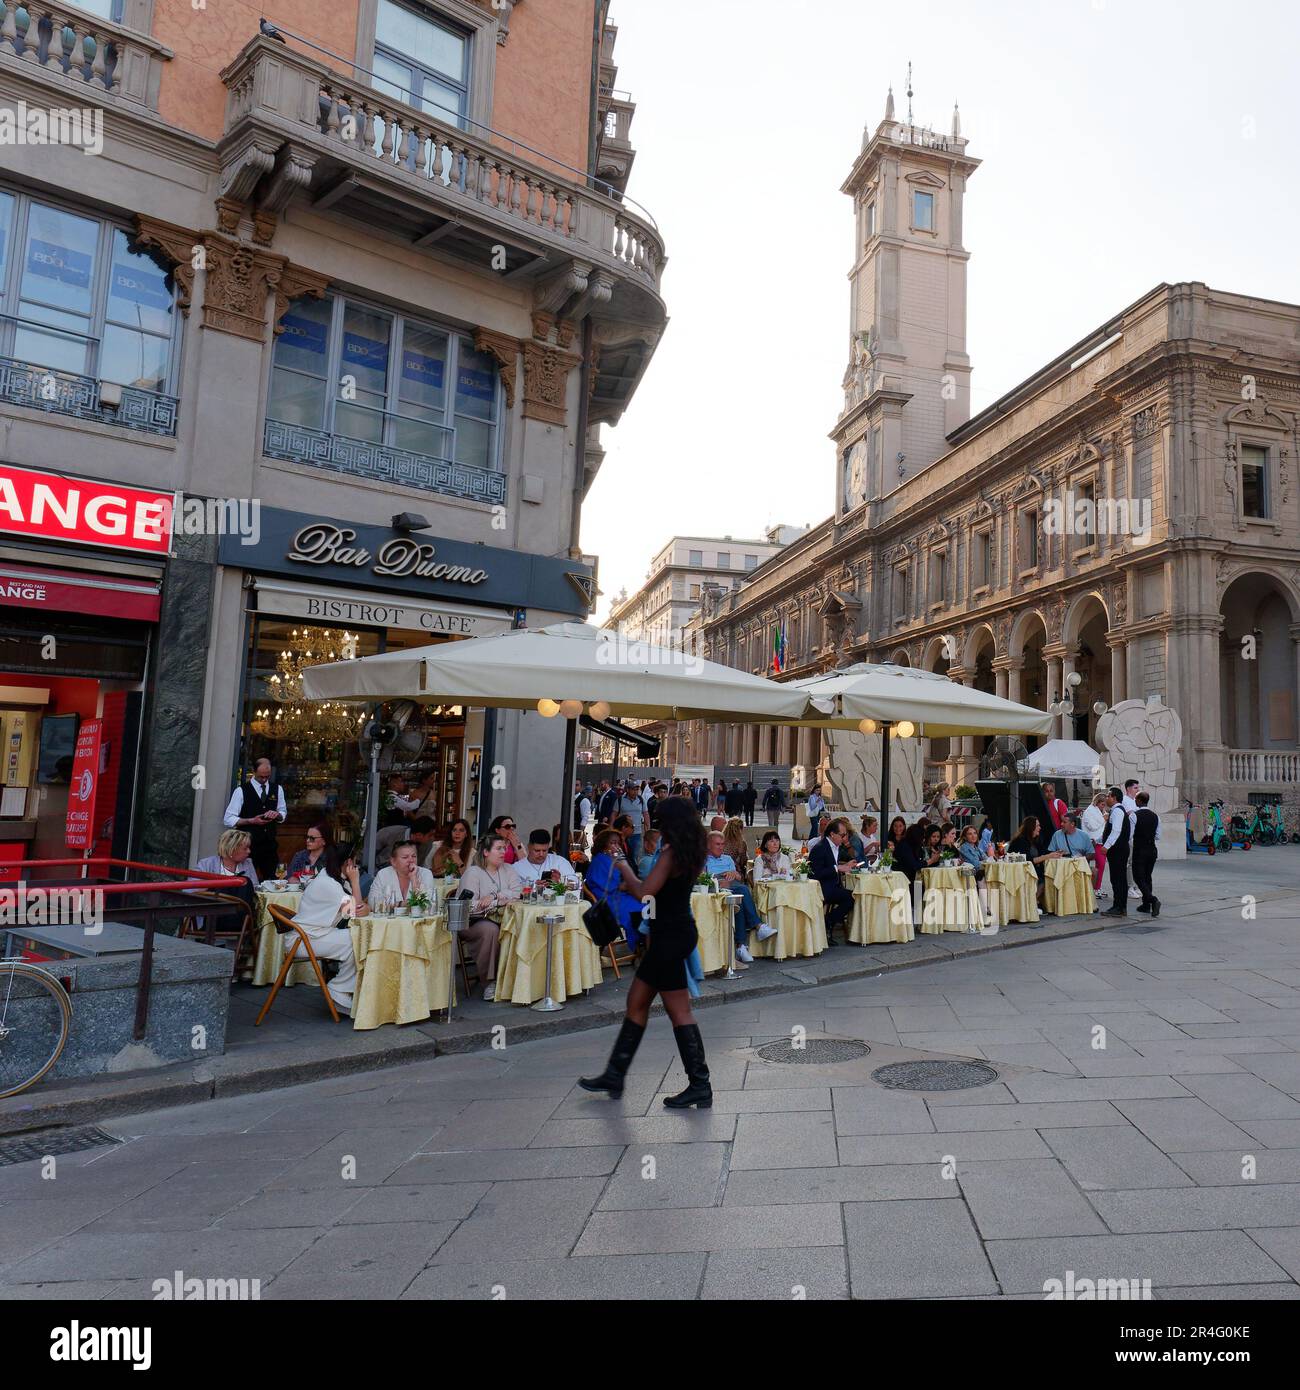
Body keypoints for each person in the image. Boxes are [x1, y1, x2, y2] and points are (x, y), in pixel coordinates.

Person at [580, 797, 714, 1109]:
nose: (656, 822)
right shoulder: (692, 851)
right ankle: (615, 1074)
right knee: (637, 1001)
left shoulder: (670, 853)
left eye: (660, 818)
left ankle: (700, 1084)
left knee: (677, 1010)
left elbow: (644, 891)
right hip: (677, 931)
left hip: (668, 935)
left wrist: (623, 864)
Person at [292, 840, 362, 1013]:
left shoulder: (330, 877)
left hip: (315, 934)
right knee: (358, 940)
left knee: (357, 938)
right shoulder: (329, 884)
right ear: (348, 863)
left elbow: (357, 909)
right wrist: (355, 881)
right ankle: (339, 988)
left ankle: (342, 988)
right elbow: (356, 910)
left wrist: (359, 905)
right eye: (355, 861)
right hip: (305, 939)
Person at [459, 833, 523, 1000]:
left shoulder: (509, 869)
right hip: (472, 922)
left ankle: (517, 977)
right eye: (498, 848)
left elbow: (518, 893)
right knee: (491, 930)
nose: (503, 852)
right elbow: (470, 906)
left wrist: (494, 897)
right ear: (486, 852)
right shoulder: (473, 873)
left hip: (502, 918)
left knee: (523, 924)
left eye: (504, 848)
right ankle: (489, 982)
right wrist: (501, 901)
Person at [705, 829, 775, 961]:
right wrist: (720, 879)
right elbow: (701, 878)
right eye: (717, 844)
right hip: (714, 891)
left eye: (722, 844)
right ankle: (757, 927)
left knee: (739, 899)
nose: (721, 847)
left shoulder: (727, 858)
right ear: (708, 845)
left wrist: (735, 874)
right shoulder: (703, 859)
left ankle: (741, 946)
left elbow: (739, 877)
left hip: (732, 888)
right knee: (742, 891)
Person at [584, 827, 650, 952]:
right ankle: (642, 944)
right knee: (646, 908)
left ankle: (644, 942)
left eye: (618, 843)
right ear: (604, 845)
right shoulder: (601, 860)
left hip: (619, 896)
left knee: (650, 905)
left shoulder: (610, 858)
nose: (617, 846)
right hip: (610, 901)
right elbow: (616, 886)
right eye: (612, 843)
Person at [223, 755, 286, 880]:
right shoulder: (241, 791)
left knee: (274, 879)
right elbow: (228, 819)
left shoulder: (277, 789)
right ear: (254, 771)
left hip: (269, 845)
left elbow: (283, 812)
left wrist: (277, 815)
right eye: (261, 776)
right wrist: (251, 820)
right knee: (245, 880)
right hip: (247, 846)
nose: (264, 779)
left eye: (267, 776)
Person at [808, 818, 858, 941]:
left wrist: (849, 865)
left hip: (833, 886)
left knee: (853, 896)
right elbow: (815, 873)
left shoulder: (836, 846)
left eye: (845, 834)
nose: (845, 837)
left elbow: (852, 856)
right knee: (850, 898)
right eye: (842, 835)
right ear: (832, 834)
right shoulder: (820, 847)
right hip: (822, 888)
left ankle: (829, 922)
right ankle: (828, 922)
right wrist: (837, 868)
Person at [1010, 814, 1061, 913]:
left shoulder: (1034, 840)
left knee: (1050, 876)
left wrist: (1055, 853)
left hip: (1032, 869)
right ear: (1031, 827)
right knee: (1043, 879)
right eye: (1037, 826)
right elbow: (1028, 860)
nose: (1040, 828)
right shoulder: (1021, 841)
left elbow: (1043, 851)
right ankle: (1031, 904)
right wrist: (1048, 856)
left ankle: (1039, 904)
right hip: (1021, 870)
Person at [368, 840, 437, 910]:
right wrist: (401, 904)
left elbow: (427, 904)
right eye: (405, 857)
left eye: (414, 856)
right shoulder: (383, 874)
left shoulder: (426, 874)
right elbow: (372, 903)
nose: (411, 860)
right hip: (389, 920)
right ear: (393, 861)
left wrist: (414, 879)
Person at [1101, 786, 1132, 918]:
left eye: (1108, 796)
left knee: (1118, 878)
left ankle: (1119, 907)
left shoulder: (1118, 811)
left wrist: (1106, 846)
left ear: (1114, 798)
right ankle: (1118, 905)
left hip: (1118, 850)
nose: (1107, 798)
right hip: (1118, 849)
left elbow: (1116, 831)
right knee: (1117, 878)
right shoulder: (1116, 811)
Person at [514, 828, 580, 887]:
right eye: (537, 851)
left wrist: (560, 881)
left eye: (545, 850)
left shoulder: (559, 862)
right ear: (529, 847)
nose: (541, 854)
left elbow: (576, 884)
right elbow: (511, 891)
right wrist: (532, 886)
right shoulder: (517, 868)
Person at [1132, 791, 1161, 917]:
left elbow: (1130, 834)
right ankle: (1146, 905)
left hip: (1140, 849)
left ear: (1138, 800)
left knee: (1138, 877)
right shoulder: (1155, 816)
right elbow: (1159, 835)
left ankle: (1152, 900)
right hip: (1152, 849)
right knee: (1147, 876)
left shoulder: (1134, 815)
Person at [1081, 792, 1109, 898]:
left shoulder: (1100, 811)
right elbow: (1092, 826)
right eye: (1102, 804)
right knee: (1099, 864)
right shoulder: (1089, 811)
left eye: (1105, 805)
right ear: (1097, 802)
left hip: (1101, 841)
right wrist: (1104, 819)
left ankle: (1097, 886)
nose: (1104, 807)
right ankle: (1094, 888)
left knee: (1101, 865)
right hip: (1092, 841)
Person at [1122, 780, 1142, 900]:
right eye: (1135, 788)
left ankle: (1133, 885)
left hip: (1136, 836)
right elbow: (1132, 815)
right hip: (1129, 836)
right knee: (1129, 863)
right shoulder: (1125, 801)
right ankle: (1129, 887)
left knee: (1135, 862)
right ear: (1128, 789)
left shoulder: (1135, 801)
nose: (1137, 790)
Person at [616, 781, 645, 863]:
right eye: (633, 789)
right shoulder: (620, 800)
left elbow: (646, 815)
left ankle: (632, 870)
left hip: (636, 833)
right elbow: (614, 814)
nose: (635, 791)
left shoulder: (641, 800)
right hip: (623, 833)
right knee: (622, 855)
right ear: (627, 790)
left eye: (637, 789)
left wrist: (647, 829)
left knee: (634, 855)